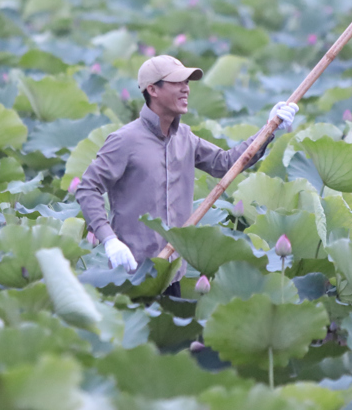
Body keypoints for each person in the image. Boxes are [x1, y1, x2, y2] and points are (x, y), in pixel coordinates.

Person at [75, 54, 299, 277]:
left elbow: (226, 163)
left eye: (187, 83)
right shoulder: (124, 140)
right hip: (132, 273)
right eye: (177, 83)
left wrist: (269, 129)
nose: (186, 89)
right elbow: (87, 188)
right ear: (153, 90)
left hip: (173, 272)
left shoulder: (185, 137)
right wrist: (109, 240)